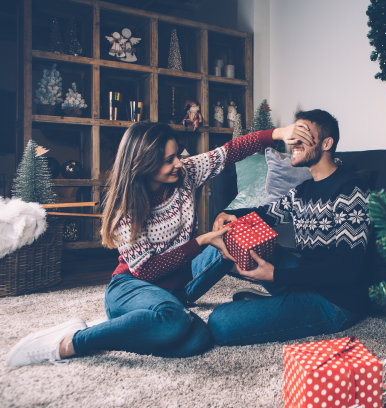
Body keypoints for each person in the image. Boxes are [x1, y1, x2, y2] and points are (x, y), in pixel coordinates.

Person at [6, 121, 311, 367]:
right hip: (131, 287)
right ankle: (72, 341)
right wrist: (203, 240)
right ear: (144, 162)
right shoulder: (125, 209)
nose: (179, 163)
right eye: (169, 159)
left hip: (179, 287)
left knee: (198, 340)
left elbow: (229, 151)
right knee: (174, 320)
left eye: (178, 154)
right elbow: (148, 271)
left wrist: (278, 133)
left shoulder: (185, 174)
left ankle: (150, 322)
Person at [200, 109, 373, 346]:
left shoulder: (350, 191)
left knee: (220, 323)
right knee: (232, 233)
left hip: (336, 301)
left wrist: (275, 275)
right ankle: (181, 297)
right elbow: (263, 215)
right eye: (293, 134)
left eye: (302, 134)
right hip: (305, 278)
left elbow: (347, 269)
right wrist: (228, 214)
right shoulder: (303, 190)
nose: (293, 142)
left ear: (326, 143)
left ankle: (276, 306)